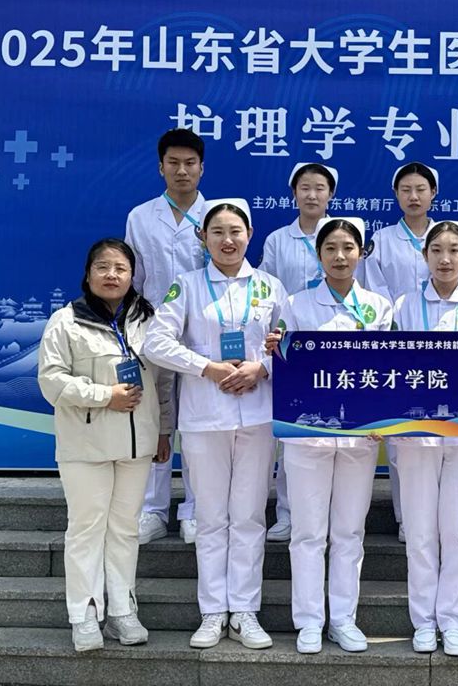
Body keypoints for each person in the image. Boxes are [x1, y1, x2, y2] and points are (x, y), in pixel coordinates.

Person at [144, 199, 286, 650]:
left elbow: (292, 345)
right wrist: (206, 367)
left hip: (258, 414)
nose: (228, 240)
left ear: (249, 235)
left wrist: (261, 368)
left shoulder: (270, 286)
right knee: (210, 517)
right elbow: (155, 342)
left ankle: (243, 610)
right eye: (218, 232)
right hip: (205, 417)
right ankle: (212, 612)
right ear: (202, 238)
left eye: (235, 231)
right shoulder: (185, 286)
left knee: (248, 516)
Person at [38, 238, 167, 652]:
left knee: (125, 530)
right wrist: (103, 395)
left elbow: (162, 381)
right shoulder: (65, 321)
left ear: (132, 276)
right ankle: (85, 614)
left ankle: (122, 611)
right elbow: (51, 381)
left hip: (137, 444)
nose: (112, 275)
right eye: (103, 267)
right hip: (86, 445)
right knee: (86, 529)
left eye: (121, 268)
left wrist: (163, 430)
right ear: (88, 273)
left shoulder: (149, 319)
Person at [272, 217, 393, 655]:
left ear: (361, 253)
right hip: (307, 435)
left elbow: (388, 371)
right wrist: (275, 352)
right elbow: (281, 365)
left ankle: (343, 618)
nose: (340, 257)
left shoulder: (379, 307)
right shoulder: (296, 304)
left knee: (348, 531)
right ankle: (309, 621)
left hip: (360, 438)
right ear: (318, 254)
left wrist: (382, 418)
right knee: (307, 532)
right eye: (330, 248)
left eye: (348, 248)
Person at [390, 221, 458, 657]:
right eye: (436, 250)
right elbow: (389, 368)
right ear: (425, 256)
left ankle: (453, 621)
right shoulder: (404, 305)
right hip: (416, 434)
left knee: (456, 533)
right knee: (420, 532)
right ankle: (423, 621)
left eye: (454, 250)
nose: (445, 258)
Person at [360, 162, 457, 543]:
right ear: (396, 195)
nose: (414, 196)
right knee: (405, 441)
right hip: (401, 349)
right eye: (406, 190)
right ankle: (407, 518)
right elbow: (377, 295)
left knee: (447, 441)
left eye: (421, 189)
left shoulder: (447, 236)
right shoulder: (382, 240)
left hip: (447, 355)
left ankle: (446, 519)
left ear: (434, 193)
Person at [125, 127, 207, 546]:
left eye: (190, 163)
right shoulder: (140, 217)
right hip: (153, 334)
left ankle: (194, 509)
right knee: (154, 421)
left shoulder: (216, 217)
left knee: (195, 424)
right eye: (173, 163)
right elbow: (134, 280)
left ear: (201, 168)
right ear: (161, 167)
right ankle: (153, 510)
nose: (182, 170)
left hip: (201, 336)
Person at [258, 161, 339, 544]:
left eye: (319, 188)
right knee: (294, 433)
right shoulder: (278, 240)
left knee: (336, 432)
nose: (312, 194)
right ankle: (289, 513)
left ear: (330, 194)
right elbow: (268, 291)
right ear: (294, 194)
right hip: (293, 347)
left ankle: (331, 514)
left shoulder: (343, 235)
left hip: (335, 348)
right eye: (304, 187)